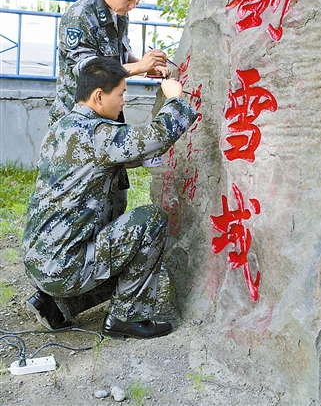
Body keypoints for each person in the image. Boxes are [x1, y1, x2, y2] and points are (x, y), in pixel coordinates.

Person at [23, 57, 198, 339]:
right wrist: (174, 99)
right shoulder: (96, 133)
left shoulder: (64, 125)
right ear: (99, 96)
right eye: (122, 94)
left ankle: (57, 304)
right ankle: (126, 318)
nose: (124, 101)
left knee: (126, 252)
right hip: (65, 266)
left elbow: (102, 159)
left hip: (39, 260)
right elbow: (156, 135)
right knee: (150, 222)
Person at [48, 0, 169, 125]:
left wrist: (146, 66)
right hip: (77, 121)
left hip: (108, 115)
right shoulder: (79, 16)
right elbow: (91, 72)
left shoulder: (119, 12)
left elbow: (119, 55)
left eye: (138, 0)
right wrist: (139, 67)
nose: (133, 6)